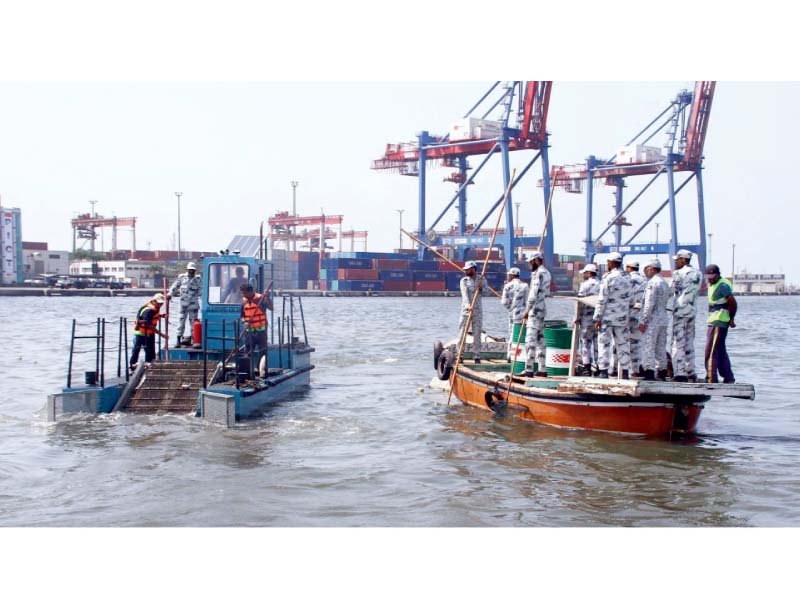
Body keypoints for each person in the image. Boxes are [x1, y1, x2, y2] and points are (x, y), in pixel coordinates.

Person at [593, 252, 632, 379]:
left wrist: (597, 317)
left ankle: (603, 371)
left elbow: (602, 299)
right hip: (622, 318)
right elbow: (631, 300)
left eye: (608, 262)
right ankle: (625, 372)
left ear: (612, 263)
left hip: (608, 318)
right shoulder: (628, 277)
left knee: (604, 344)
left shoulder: (608, 277)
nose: (607, 264)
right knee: (623, 344)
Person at [670, 249, 702, 382]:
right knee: (689, 342)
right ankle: (691, 371)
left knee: (678, 343)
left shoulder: (678, 274)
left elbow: (672, 290)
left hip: (680, 312)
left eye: (677, 259)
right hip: (692, 311)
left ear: (683, 260)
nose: (675, 262)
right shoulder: (698, 274)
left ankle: (679, 373)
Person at [704, 264, 737, 384]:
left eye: (713, 276)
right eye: (708, 276)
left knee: (711, 351)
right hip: (715, 320)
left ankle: (711, 378)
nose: (710, 278)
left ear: (718, 275)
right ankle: (728, 377)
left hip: (719, 321)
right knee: (720, 350)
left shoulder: (722, 285)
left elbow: (732, 302)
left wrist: (731, 319)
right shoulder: (713, 284)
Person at [638, 259, 670, 381]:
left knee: (649, 346)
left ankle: (649, 371)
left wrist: (643, 320)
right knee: (661, 346)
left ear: (651, 268)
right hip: (663, 319)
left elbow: (649, 304)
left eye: (646, 269)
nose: (645, 272)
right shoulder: (664, 282)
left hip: (652, 320)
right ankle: (662, 371)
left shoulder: (652, 283)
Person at [522, 251, 552, 377]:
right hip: (542, 309)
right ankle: (542, 368)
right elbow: (547, 293)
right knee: (540, 340)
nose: (529, 265)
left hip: (534, 310)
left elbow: (532, 295)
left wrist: (526, 310)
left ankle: (528, 369)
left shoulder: (538, 274)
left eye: (530, 262)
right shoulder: (547, 273)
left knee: (530, 340)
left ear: (536, 260)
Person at [168, 261, 202, 347]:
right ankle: (178, 340)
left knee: (193, 324)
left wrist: (203, 303)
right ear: (187, 269)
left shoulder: (198, 279)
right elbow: (175, 286)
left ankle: (194, 341)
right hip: (183, 304)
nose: (191, 271)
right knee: (180, 322)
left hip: (193, 305)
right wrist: (169, 294)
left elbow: (201, 292)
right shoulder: (182, 278)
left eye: (193, 270)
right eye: (190, 270)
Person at [130, 293, 166, 370]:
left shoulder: (154, 308)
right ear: (154, 301)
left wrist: (161, 316)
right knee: (136, 350)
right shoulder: (149, 310)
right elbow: (149, 324)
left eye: (162, 303)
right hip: (141, 333)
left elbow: (153, 317)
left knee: (150, 352)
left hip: (149, 334)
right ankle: (132, 367)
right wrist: (162, 335)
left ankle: (148, 366)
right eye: (159, 303)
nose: (160, 305)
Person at [458, 261, 485, 363]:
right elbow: (464, 296)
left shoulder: (481, 280)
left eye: (468, 269)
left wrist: (481, 288)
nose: (465, 271)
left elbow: (487, 292)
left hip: (478, 312)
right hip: (466, 311)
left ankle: (477, 356)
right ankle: (460, 355)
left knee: (477, 334)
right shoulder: (464, 281)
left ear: (473, 269)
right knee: (462, 333)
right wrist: (468, 306)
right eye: (465, 269)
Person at [575, 263, 600, 375]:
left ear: (589, 273)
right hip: (599, 320)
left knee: (585, 343)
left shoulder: (585, 285)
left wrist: (577, 317)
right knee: (598, 343)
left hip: (586, 319)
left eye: (585, 273)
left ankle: (587, 368)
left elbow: (579, 302)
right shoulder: (602, 284)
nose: (584, 275)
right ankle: (600, 368)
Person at [625, 258, 647, 376]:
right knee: (636, 344)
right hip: (640, 316)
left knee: (620, 343)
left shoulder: (627, 279)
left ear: (629, 268)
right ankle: (636, 370)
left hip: (626, 316)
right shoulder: (645, 281)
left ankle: (617, 370)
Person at [501, 267, 529, 359]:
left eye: (509, 275)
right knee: (520, 333)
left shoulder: (507, 286)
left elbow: (504, 302)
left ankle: (510, 355)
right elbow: (527, 301)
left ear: (512, 275)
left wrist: (510, 308)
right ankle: (520, 354)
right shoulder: (525, 285)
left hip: (512, 313)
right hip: (522, 314)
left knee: (511, 333)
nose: (508, 276)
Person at [241, 284, 273, 353]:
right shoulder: (244, 302)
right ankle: (249, 362)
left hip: (261, 331)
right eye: (243, 293)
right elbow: (242, 316)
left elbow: (271, 308)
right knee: (248, 351)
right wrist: (244, 322)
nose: (243, 295)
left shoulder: (260, 299)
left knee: (262, 351)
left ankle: (262, 363)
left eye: (245, 293)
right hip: (249, 332)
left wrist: (268, 297)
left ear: (250, 292)